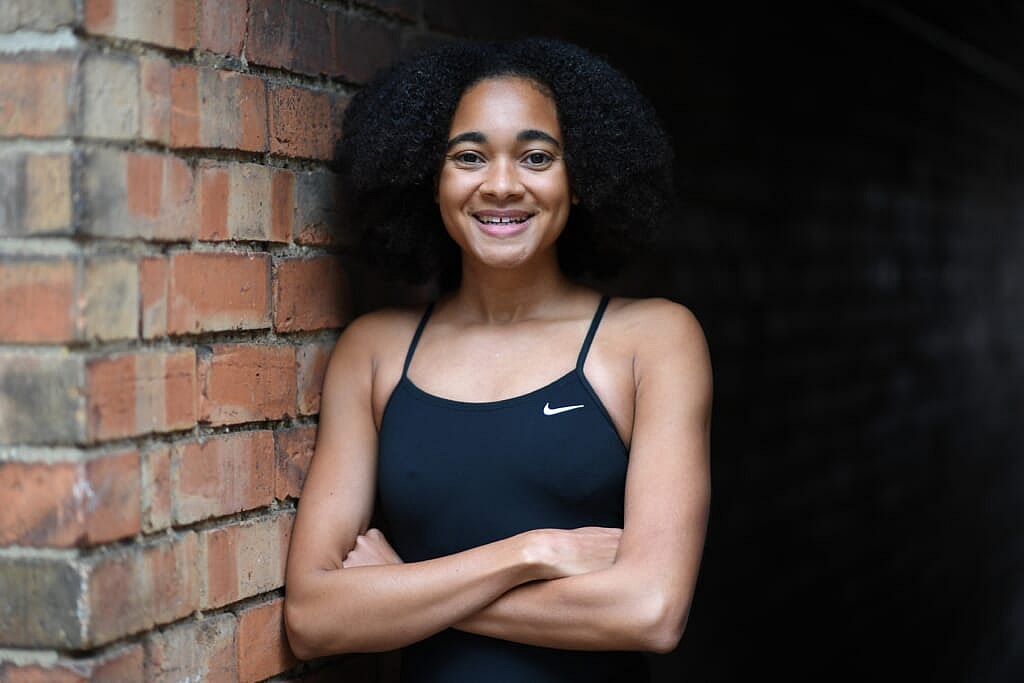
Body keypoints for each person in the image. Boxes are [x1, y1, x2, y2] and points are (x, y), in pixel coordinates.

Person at [283, 35, 712, 683]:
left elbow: (650, 611)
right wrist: (533, 552)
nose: (502, 185)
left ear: (581, 174)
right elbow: (314, 620)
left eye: (537, 156)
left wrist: (401, 590)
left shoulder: (652, 340)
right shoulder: (375, 351)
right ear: (431, 177)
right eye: (469, 157)